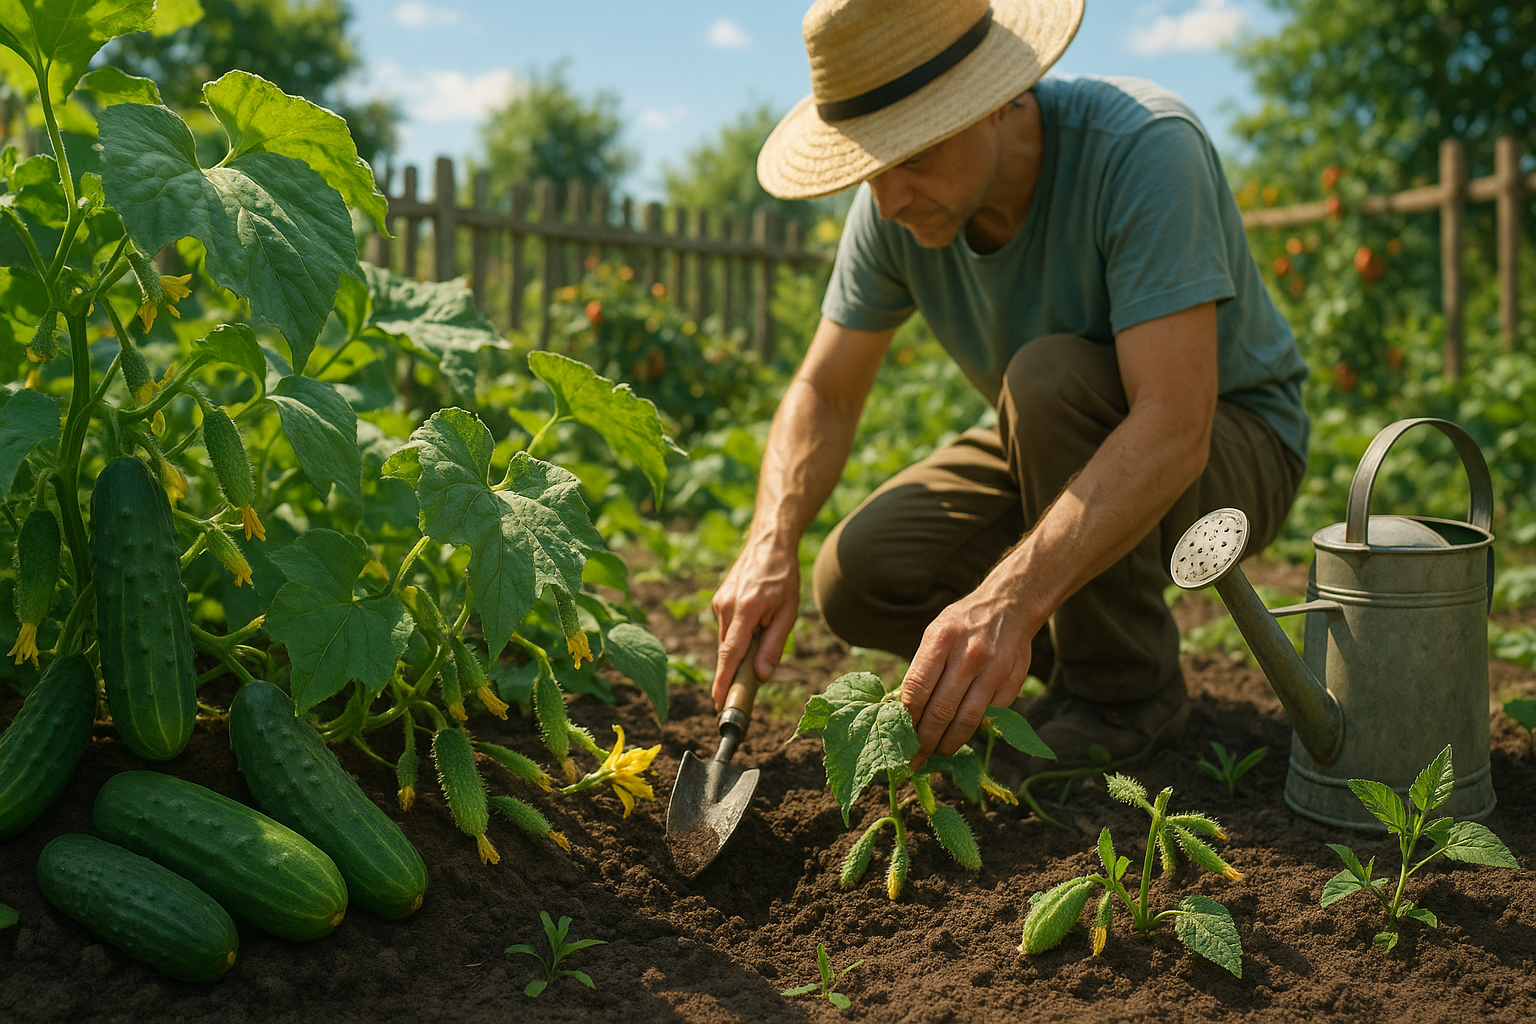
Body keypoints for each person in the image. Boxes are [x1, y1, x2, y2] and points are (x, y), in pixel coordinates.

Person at [710, 0, 1308, 776]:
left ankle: (1121, 694)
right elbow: (825, 390)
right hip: (1051, 435)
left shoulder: (1143, 148)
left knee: (1046, 379)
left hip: (1234, 444)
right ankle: (1063, 651)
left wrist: (1011, 600)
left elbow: (1174, 424)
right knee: (860, 574)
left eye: (909, 157)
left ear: (994, 101)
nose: (886, 199)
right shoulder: (890, 206)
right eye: (869, 165)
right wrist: (770, 544)